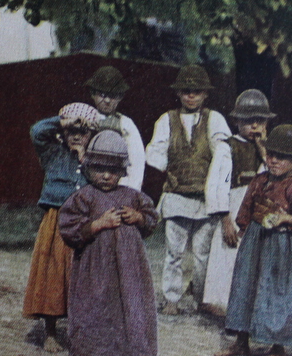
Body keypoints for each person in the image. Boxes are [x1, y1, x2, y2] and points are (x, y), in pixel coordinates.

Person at [59, 130, 159, 356]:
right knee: (99, 315)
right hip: (97, 272)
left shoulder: (131, 195)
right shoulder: (84, 197)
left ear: (122, 171)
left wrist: (138, 217)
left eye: (113, 170)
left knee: (129, 314)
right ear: (89, 167)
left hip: (128, 272)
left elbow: (151, 218)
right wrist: (96, 225)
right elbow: (68, 228)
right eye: (100, 169)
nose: (106, 176)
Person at [215, 124, 292, 356]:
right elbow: (247, 207)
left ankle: (278, 346)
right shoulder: (260, 180)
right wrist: (243, 227)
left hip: (281, 247)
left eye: (282, 157)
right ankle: (242, 341)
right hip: (255, 242)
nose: (274, 160)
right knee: (246, 287)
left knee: (276, 294)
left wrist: (288, 218)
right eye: (271, 154)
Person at [145, 64, 231, 316]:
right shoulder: (167, 120)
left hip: (204, 199)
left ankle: (202, 296)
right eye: (186, 91)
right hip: (176, 196)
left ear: (205, 94)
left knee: (203, 254)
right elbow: (155, 153)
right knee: (174, 251)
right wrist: (172, 167)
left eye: (196, 91)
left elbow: (224, 153)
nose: (191, 96)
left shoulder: (215, 120)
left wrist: (214, 183)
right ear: (178, 93)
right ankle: (171, 297)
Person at [22, 103, 100, 352]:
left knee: (82, 275)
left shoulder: (95, 158)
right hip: (56, 219)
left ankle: (83, 331)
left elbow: (103, 180)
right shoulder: (53, 152)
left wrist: (84, 158)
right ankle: (51, 331)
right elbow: (37, 131)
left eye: (83, 131)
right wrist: (62, 121)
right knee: (52, 273)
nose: (77, 136)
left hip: (84, 222)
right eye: (71, 131)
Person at [201, 89, 276, 317]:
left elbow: (271, 179)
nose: (254, 126)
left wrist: (264, 152)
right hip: (233, 207)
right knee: (228, 257)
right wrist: (225, 219)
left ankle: (250, 304)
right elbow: (217, 184)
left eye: (259, 121)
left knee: (254, 258)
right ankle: (223, 304)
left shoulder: (268, 151)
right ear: (236, 121)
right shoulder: (228, 148)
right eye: (248, 121)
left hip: (256, 210)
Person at [84, 65, 145, 190]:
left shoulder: (125, 124)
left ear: (120, 97)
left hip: (114, 186)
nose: (107, 100)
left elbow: (136, 160)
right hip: (85, 185)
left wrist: (130, 190)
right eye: (102, 94)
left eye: (112, 96)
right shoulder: (82, 117)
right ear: (92, 94)